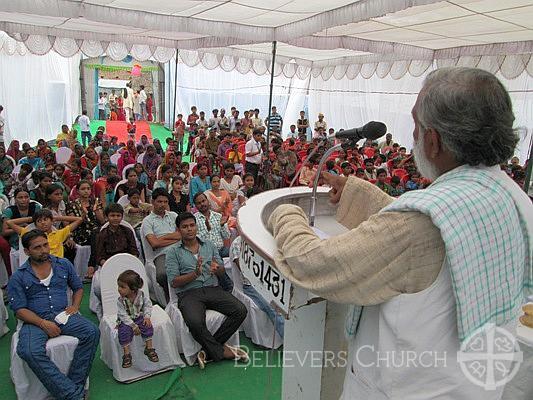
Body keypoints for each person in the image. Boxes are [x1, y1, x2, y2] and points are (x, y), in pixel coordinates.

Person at [267, 67, 533, 399]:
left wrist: (285, 213)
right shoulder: (512, 196)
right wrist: (356, 193)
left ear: (433, 141)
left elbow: (313, 262)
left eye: (417, 127)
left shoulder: (419, 226)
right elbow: (435, 235)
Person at [7, 229, 99, 400]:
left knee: (92, 332)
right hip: (35, 321)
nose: (43, 250)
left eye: (45, 245)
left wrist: (75, 306)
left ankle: (73, 385)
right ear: (27, 251)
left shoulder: (63, 264)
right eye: (37, 247)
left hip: (63, 315)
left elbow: (78, 287)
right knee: (28, 351)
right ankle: (72, 394)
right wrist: (43, 323)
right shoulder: (19, 276)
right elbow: (19, 310)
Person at [165, 212, 248, 367]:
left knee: (240, 310)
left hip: (212, 288)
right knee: (195, 322)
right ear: (178, 230)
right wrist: (194, 274)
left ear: (196, 226)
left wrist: (218, 269)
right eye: (184, 227)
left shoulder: (208, 245)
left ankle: (208, 350)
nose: (189, 229)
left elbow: (222, 270)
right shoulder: (173, 252)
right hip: (189, 294)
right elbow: (174, 282)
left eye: (192, 225)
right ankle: (221, 351)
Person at [230, 236, 284, 338]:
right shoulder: (238, 243)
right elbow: (243, 270)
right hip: (252, 285)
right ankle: (289, 342)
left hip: (268, 281)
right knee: (274, 309)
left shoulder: (260, 239)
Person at [116, 269, 158, 368]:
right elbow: (122, 315)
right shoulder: (121, 301)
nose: (119, 289)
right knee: (123, 331)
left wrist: (147, 317)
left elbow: (148, 305)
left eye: (122, 287)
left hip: (139, 317)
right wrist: (133, 326)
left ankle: (149, 348)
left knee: (147, 326)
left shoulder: (141, 295)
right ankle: (126, 354)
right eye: (118, 286)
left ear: (133, 289)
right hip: (127, 320)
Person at [142, 188, 181, 293]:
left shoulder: (173, 216)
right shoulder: (147, 221)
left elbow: (182, 234)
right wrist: (174, 237)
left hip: (180, 250)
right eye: (159, 201)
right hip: (161, 255)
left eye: (165, 202)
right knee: (162, 275)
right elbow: (154, 243)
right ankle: (169, 300)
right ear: (152, 201)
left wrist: (161, 238)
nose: (163, 204)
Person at [7, 209, 83, 258]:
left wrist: (57, 218)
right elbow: (9, 222)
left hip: (58, 265)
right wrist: (30, 219)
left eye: (45, 219)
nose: (43, 223)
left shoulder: (59, 233)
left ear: (52, 221)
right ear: (35, 224)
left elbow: (79, 219)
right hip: (41, 264)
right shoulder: (31, 235)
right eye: (39, 221)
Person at [193, 192, 230, 259]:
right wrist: (207, 229)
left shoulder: (218, 216)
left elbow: (227, 236)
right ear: (195, 205)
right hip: (205, 253)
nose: (202, 204)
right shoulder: (193, 220)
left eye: (203, 201)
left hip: (221, 250)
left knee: (232, 252)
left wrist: (222, 226)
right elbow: (195, 240)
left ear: (207, 201)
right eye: (199, 203)